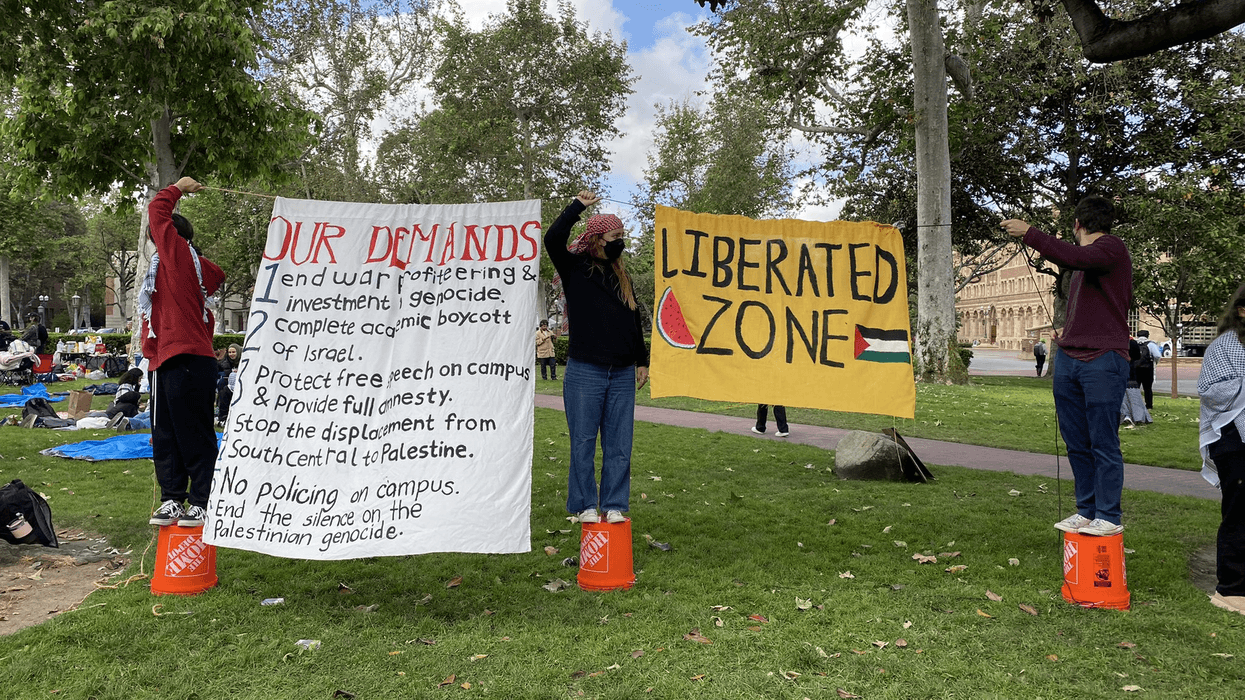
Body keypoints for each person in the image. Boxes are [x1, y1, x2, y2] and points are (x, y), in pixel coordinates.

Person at [1003, 195, 1132, 537]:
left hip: (1104, 359)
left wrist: (1030, 232)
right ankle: (1087, 511)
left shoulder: (1111, 249)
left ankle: (1108, 514)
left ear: (1077, 225)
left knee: (1103, 441)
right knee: (1076, 441)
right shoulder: (1083, 266)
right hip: (1071, 358)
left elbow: (1077, 255)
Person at [545, 191, 649, 526]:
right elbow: (553, 238)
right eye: (615, 237)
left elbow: (632, 320)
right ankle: (586, 504)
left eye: (622, 236)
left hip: (621, 373)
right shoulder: (575, 268)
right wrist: (577, 207)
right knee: (583, 442)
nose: (620, 242)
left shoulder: (622, 275)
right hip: (585, 371)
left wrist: (641, 360)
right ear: (598, 239)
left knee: (620, 444)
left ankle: (614, 503)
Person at [141, 176, 225, 528]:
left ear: (173, 237)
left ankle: (200, 501)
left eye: (157, 239)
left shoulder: (176, 258)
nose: (154, 244)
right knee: (166, 433)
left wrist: (177, 188)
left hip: (183, 358)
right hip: (167, 361)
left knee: (193, 433)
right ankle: (174, 500)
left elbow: (157, 212)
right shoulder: (184, 268)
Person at [1198, 283, 1245, 615]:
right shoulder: (1225, 347)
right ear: (1242, 310)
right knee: (1240, 514)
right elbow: (1211, 392)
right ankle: (1231, 591)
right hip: (1233, 440)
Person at [215, 343, 241, 426]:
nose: (231, 354)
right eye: (229, 352)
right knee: (223, 390)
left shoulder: (243, 361)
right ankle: (222, 417)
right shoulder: (225, 362)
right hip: (228, 386)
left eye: (233, 352)